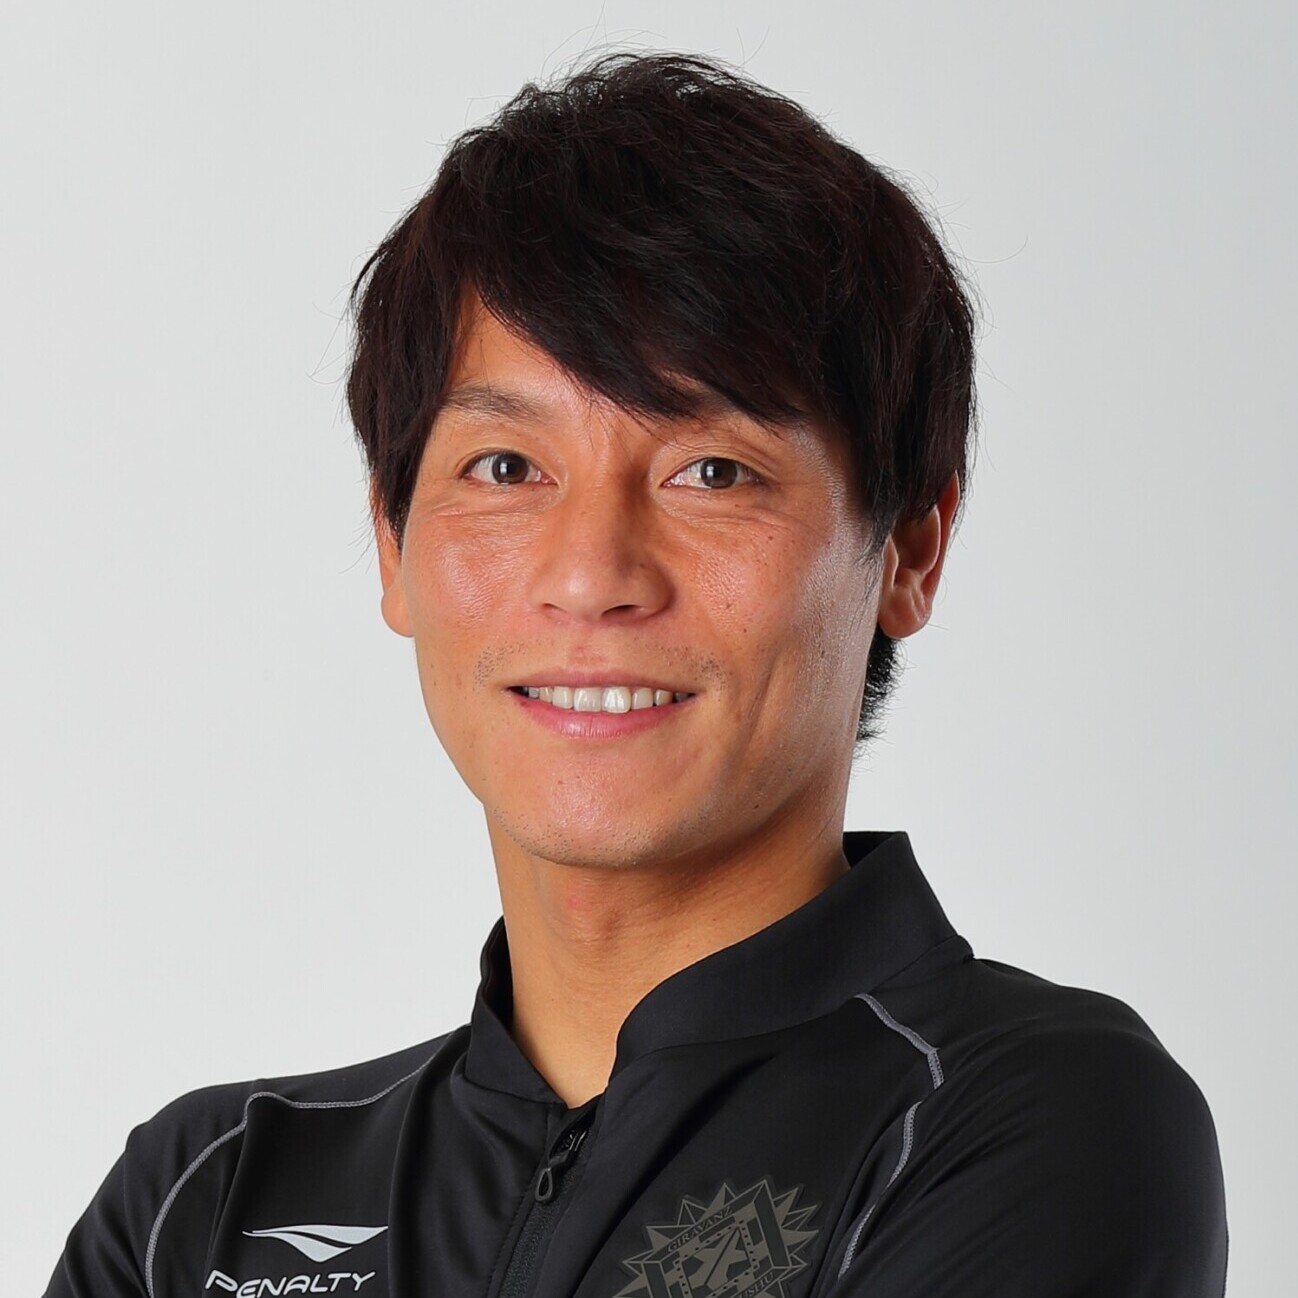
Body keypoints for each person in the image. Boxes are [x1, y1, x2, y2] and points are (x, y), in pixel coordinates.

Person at [44, 51, 1228, 1298]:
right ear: (391, 543)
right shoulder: (208, 1195)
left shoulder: (1025, 1121)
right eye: (505, 468)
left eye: (712, 471)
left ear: (908, 549)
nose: (590, 574)